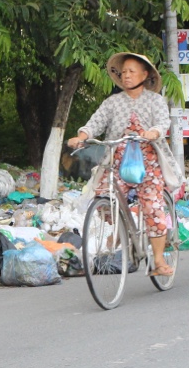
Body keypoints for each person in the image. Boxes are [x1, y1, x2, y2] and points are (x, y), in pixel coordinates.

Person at [68, 53, 178, 276]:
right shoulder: (113, 102)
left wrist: (154, 131)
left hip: (148, 164)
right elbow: (95, 123)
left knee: (152, 207)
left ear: (145, 75)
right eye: (124, 72)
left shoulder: (155, 100)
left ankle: (158, 261)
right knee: (103, 197)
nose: (126, 76)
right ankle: (123, 227)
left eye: (131, 71)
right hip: (117, 162)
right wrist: (81, 135)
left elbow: (162, 122)